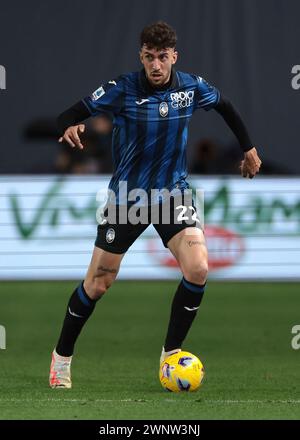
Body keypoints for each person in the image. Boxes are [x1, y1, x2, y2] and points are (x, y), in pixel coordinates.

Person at [49, 21, 262, 388]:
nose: (156, 65)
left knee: (198, 268)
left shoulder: (191, 87)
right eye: (149, 57)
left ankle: (171, 355)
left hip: (173, 196)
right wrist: (69, 125)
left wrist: (248, 148)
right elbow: (70, 113)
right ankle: (61, 359)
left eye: (163, 57)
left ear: (174, 56)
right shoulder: (122, 88)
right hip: (129, 199)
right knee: (99, 284)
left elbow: (225, 106)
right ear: (141, 57)